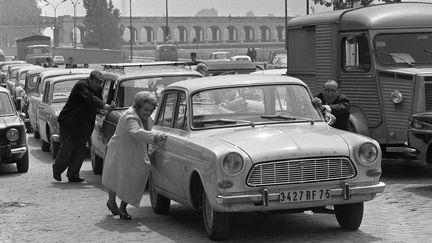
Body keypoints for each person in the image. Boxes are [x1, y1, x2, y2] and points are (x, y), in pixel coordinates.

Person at [102, 92, 167, 220]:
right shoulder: (130, 117)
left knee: (133, 178)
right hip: (121, 150)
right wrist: (155, 137)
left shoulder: (145, 116)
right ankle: (113, 203)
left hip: (135, 151)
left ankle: (122, 206)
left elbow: (152, 126)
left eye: (151, 110)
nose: (148, 113)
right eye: (146, 109)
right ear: (138, 107)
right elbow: (137, 132)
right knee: (116, 177)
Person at [52, 71, 114, 183]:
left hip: (85, 124)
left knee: (80, 149)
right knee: (68, 147)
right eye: (97, 82)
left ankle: (73, 174)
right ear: (91, 79)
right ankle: (57, 169)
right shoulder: (81, 85)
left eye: (101, 83)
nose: (99, 85)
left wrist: (101, 110)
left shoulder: (97, 89)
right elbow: (89, 98)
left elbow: (96, 103)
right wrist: (104, 105)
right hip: (69, 123)